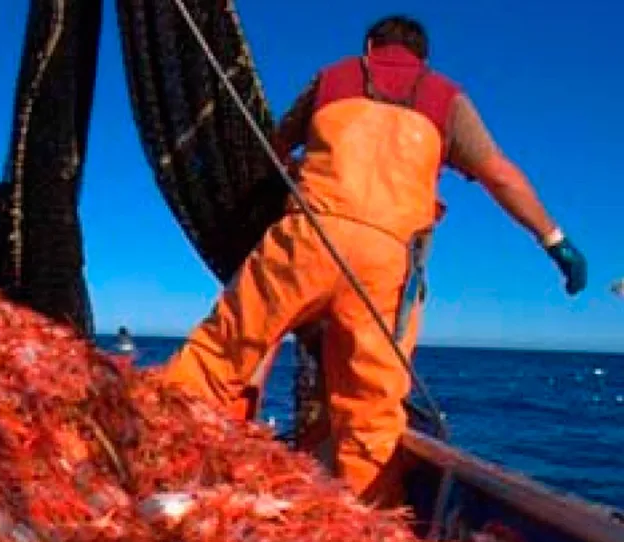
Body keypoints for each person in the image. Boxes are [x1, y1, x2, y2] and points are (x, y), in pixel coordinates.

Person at [164, 15, 588, 506]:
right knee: (371, 413)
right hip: (386, 265)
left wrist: (296, 170)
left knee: (220, 354)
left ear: (369, 46)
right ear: (422, 58)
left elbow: (275, 149)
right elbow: (500, 175)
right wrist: (555, 241)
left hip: (309, 236)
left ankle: (151, 455)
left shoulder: (332, 78)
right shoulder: (446, 97)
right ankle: (375, 525)